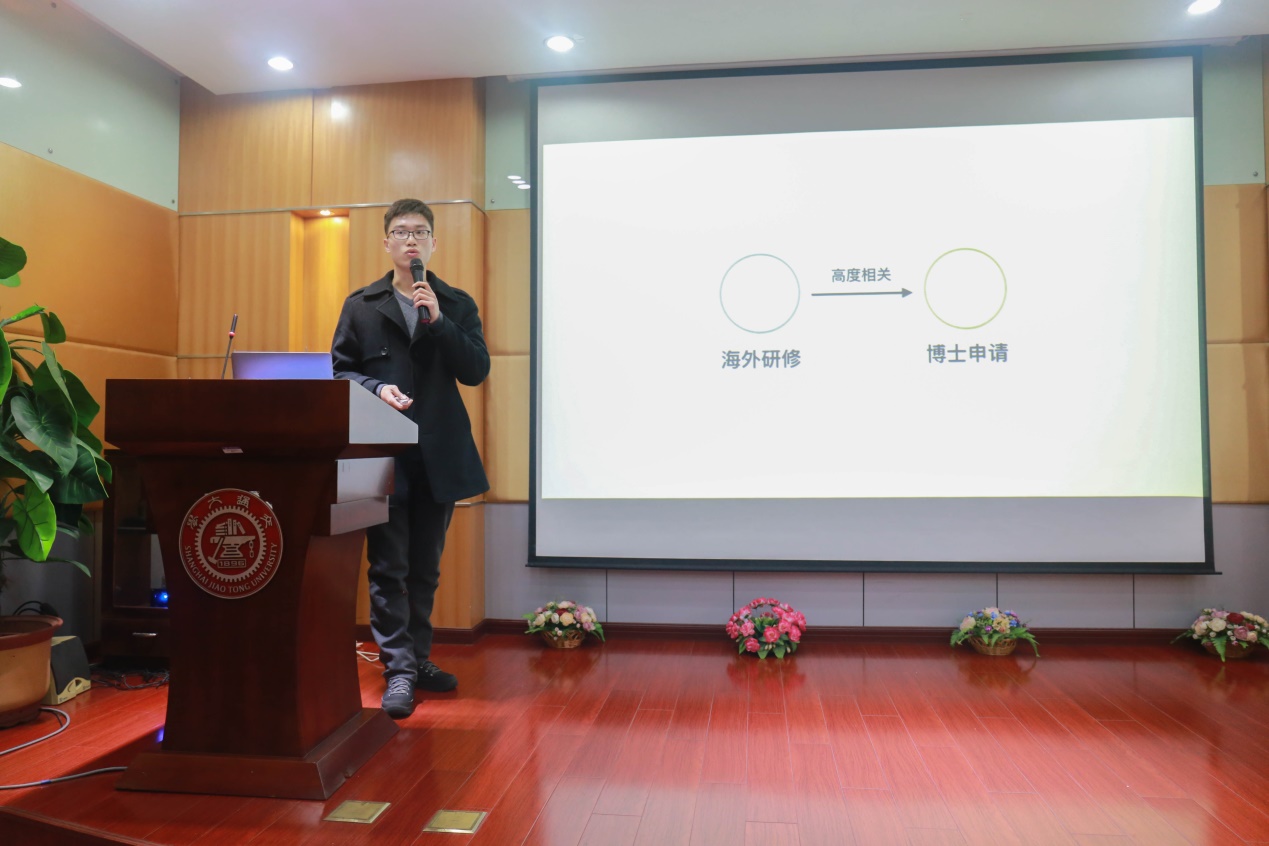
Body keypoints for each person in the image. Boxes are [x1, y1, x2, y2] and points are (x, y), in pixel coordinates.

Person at [331, 198, 489, 719]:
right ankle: (398, 671)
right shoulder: (361, 305)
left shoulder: (456, 303)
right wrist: (377, 389)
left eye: (420, 232)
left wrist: (440, 322)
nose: (411, 240)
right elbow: (340, 371)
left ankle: (418, 660)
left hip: (439, 453)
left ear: (433, 243)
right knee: (388, 567)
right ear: (387, 243)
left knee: (425, 568)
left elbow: (476, 370)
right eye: (401, 232)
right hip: (382, 454)